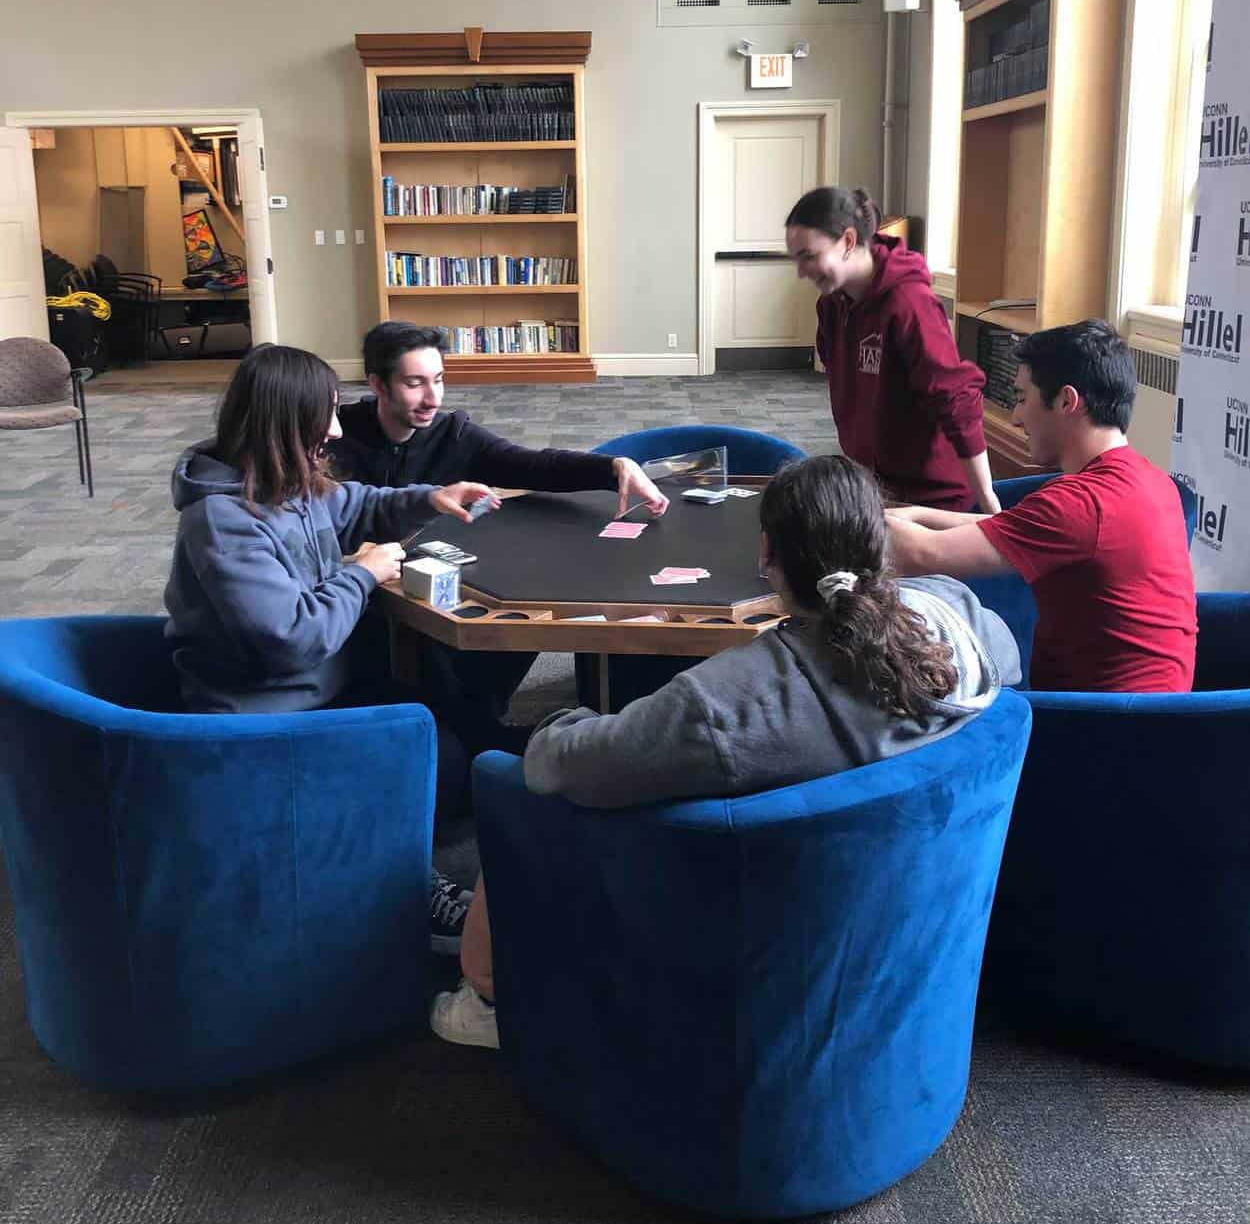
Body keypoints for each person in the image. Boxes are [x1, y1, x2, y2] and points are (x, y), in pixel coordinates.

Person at [430, 453, 1021, 1047]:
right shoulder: (960, 612)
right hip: (910, 926)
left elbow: (565, 763)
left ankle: (488, 998)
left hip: (732, 932)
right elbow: (1009, 672)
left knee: (513, 786)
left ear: (767, 556)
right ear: (881, 546)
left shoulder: (720, 709)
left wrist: (562, 720)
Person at [163, 343, 499, 954]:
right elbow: (291, 640)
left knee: (450, 749)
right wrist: (364, 573)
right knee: (422, 753)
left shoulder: (285, 482)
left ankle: (373, 843)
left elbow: (359, 504)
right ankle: (392, 892)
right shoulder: (224, 520)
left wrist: (429, 498)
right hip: (263, 715)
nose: (339, 429)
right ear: (285, 422)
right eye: (328, 416)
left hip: (313, 688)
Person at [329, 322, 668, 749]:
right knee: (423, 642)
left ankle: (476, 727)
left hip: (434, 580)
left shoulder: (452, 434)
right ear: (377, 383)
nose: (433, 398)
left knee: (519, 605)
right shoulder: (333, 435)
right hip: (359, 593)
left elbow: (532, 465)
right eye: (415, 384)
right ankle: (482, 740)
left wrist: (613, 467)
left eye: (438, 380)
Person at [885, 320, 1197, 693]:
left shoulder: (1079, 506)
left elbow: (916, 554)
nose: (1016, 417)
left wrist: (832, 516)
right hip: (1151, 713)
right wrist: (914, 514)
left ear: (1067, 401)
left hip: (1094, 725)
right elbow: (1004, 526)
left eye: (1021, 398)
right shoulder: (1147, 480)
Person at [785, 186, 999, 515]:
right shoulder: (832, 305)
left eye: (809, 257)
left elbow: (955, 399)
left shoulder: (909, 303)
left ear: (848, 241)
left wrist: (988, 503)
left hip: (929, 496)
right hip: (873, 485)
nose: (801, 272)